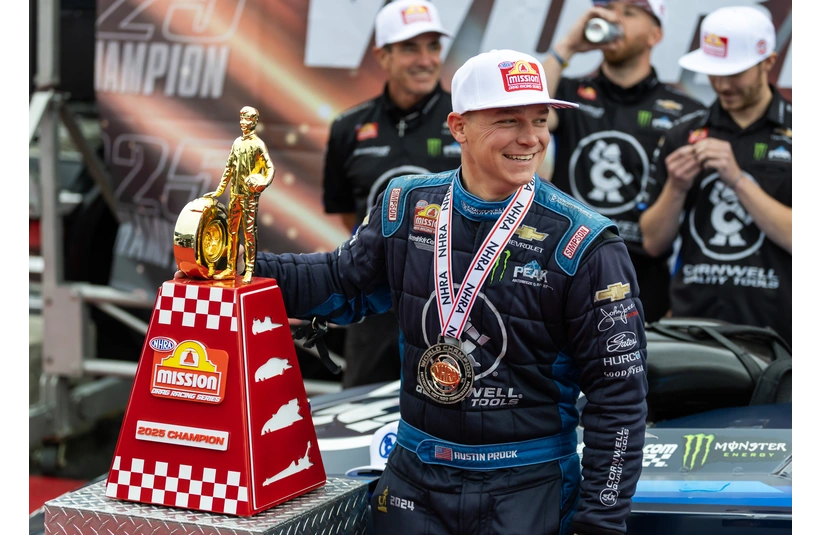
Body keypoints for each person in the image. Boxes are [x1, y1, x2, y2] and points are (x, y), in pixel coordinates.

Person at [181, 48, 649, 535]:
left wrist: (599, 523)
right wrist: (235, 266)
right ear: (459, 126)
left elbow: (619, 400)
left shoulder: (586, 242)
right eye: (508, 120)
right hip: (416, 479)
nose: (530, 138)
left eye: (540, 119)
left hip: (527, 487)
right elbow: (341, 282)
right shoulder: (406, 205)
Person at [541, 0, 707, 323]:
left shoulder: (687, 111)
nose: (614, 19)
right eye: (609, 10)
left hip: (642, 273)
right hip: (566, 263)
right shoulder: (569, 91)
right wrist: (567, 46)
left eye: (629, 12)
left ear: (655, 34)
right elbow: (528, 113)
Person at [322, 0, 458, 388]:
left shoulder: (466, 118)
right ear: (383, 55)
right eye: (410, 48)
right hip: (375, 297)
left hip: (454, 300)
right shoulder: (349, 126)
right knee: (362, 407)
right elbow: (350, 212)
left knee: (453, 415)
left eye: (433, 46)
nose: (426, 59)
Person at [639, 6, 792, 347]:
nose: (722, 84)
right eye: (714, 72)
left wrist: (737, 180)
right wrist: (676, 187)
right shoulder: (684, 134)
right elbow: (652, 243)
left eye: (735, 72)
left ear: (769, 61)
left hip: (778, 333)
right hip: (694, 328)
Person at [204, 106, 275, 284]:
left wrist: (262, 183)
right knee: (231, 232)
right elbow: (228, 168)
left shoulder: (258, 145)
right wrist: (219, 190)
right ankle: (230, 267)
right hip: (235, 195)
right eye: (242, 119)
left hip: (249, 197)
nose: (244, 123)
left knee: (249, 233)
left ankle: (249, 268)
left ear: (255, 122)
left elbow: (270, 168)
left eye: (248, 120)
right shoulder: (237, 143)